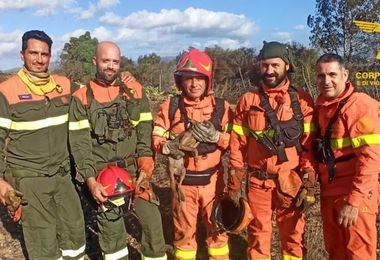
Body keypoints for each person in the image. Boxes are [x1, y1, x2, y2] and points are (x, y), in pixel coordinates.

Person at [68, 41, 167, 260]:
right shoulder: (82, 97)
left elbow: (144, 137)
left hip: (134, 173)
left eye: (115, 61)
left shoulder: (135, 91)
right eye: (106, 61)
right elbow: (80, 145)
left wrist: (145, 172)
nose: (111, 66)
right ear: (95, 62)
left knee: (152, 223)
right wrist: (91, 181)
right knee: (112, 236)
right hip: (103, 177)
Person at [0, 30, 86, 259]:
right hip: (30, 179)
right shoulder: (7, 92)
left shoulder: (64, 85)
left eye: (44, 54)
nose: (39, 59)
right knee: (43, 241)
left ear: (50, 56)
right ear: (22, 55)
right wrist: (1, 183)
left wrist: (122, 80)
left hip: (62, 175)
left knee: (75, 232)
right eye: (33, 53)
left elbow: (94, 95)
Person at [228, 41, 316, 259]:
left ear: (287, 65)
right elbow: (237, 144)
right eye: (265, 65)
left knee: (294, 236)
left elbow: (308, 145)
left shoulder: (302, 100)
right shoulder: (248, 100)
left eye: (275, 65)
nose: (269, 71)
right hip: (259, 182)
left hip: (291, 181)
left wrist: (309, 177)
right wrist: (235, 180)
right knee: (258, 234)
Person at [152, 48, 233, 260]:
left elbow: (236, 144)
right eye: (189, 78)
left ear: (208, 81)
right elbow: (157, 137)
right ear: (181, 81)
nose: (194, 84)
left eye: (199, 78)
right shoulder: (170, 107)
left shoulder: (222, 108)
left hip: (213, 183)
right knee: (184, 236)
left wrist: (217, 138)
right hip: (182, 183)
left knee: (218, 232)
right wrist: (166, 147)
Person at [314, 53, 380, 260]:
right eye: (321, 76)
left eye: (332, 74)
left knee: (358, 254)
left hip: (355, 194)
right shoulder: (321, 107)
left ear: (345, 74)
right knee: (336, 252)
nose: (327, 81)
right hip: (329, 192)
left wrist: (354, 201)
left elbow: (371, 159)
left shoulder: (359, 106)